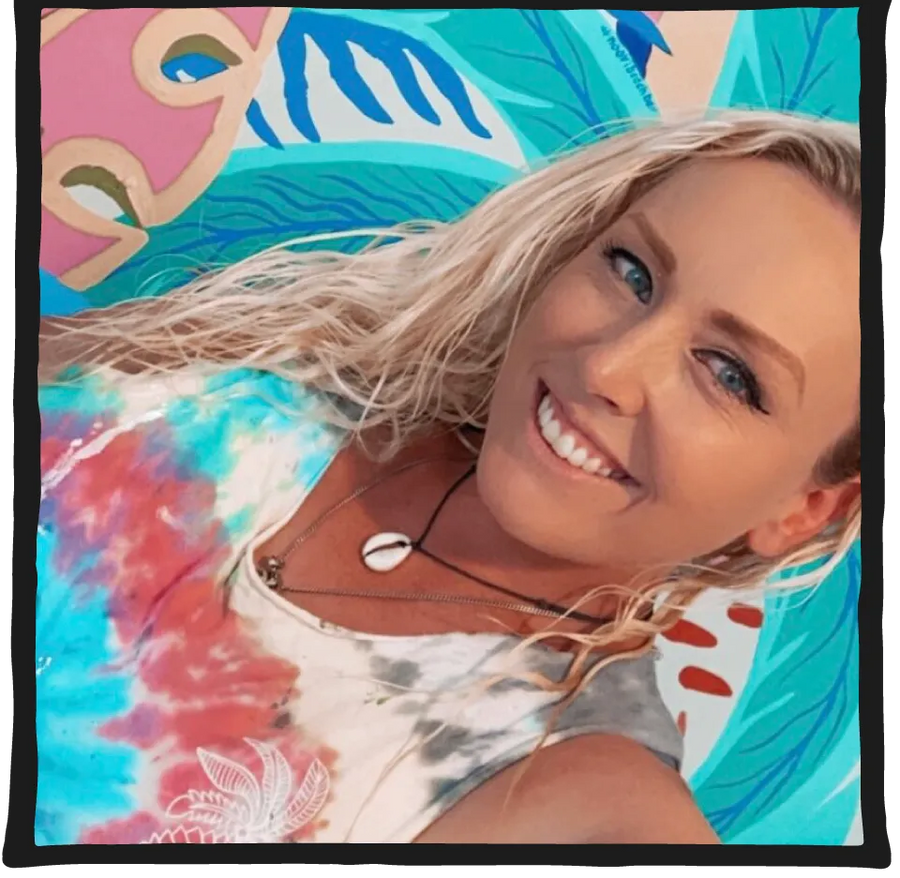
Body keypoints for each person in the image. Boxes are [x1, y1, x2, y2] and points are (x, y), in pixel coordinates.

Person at [37, 109, 861, 845]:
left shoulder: (577, 794)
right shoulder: (308, 362)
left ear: (806, 509)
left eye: (728, 374)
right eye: (632, 272)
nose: (608, 366)